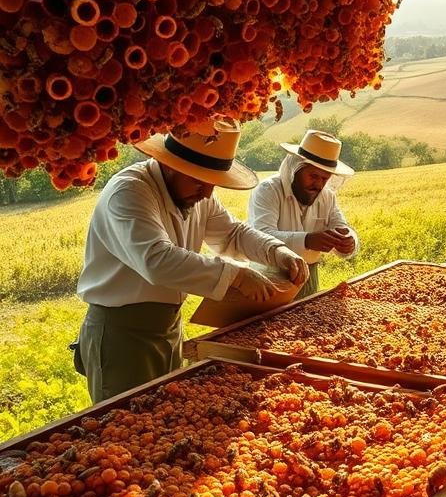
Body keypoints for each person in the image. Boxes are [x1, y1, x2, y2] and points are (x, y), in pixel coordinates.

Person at [74, 118, 309, 403]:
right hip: (121, 335)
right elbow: (156, 260)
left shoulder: (197, 193)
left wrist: (277, 251)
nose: (207, 193)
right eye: (199, 180)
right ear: (170, 164)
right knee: (128, 418)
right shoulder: (129, 191)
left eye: (213, 183)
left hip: (169, 326)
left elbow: (233, 233)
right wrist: (236, 276)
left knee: (165, 414)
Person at [247, 129, 358, 299]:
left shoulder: (327, 196)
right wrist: (307, 240)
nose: (318, 185)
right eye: (313, 176)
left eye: (325, 179)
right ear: (296, 168)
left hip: (309, 278)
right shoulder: (268, 190)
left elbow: (341, 226)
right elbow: (261, 236)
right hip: (268, 276)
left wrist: (349, 240)